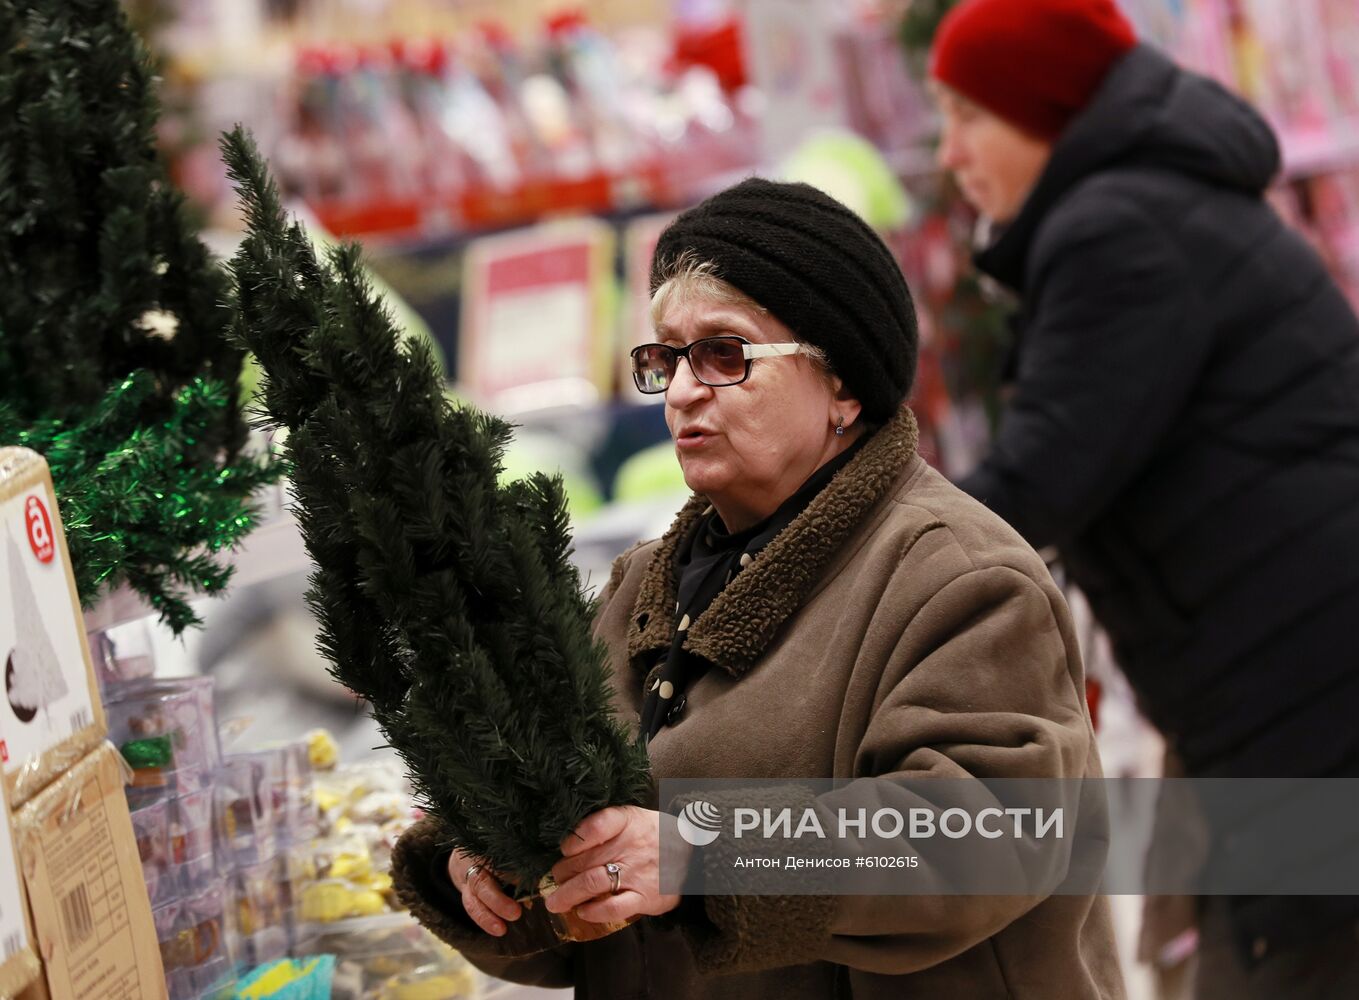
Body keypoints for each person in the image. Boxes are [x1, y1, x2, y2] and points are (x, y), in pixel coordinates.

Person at [390, 178, 1124, 998]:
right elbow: (587, 897)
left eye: (724, 354)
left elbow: (991, 830)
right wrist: (493, 865)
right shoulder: (641, 586)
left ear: (843, 384)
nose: (679, 391)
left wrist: (705, 854)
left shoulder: (957, 576)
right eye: (665, 357)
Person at [928, 0, 1359, 995]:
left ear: (1046, 109)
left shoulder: (1118, 229)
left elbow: (1036, 480)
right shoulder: (1153, 201)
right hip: (1290, 686)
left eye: (969, 115)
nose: (950, 152)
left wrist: (844, 541)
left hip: (1307, 699)